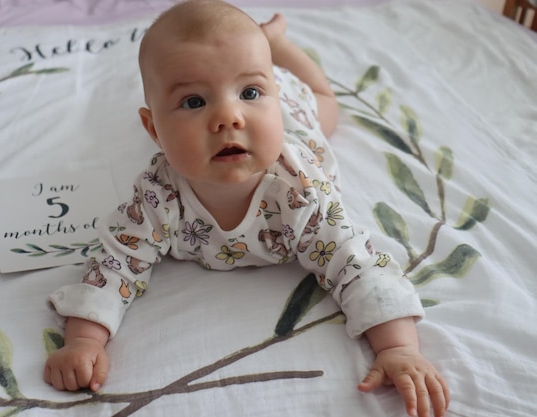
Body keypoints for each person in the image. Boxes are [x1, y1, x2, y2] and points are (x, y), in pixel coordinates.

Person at [44, 1, 450, 416]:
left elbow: (358, 265)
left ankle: (278, 46)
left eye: (250, 93)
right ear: (153, 130)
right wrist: (85, 340)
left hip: (293, 123)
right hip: (263, 116)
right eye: (193, 102)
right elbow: (116, 263)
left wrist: (399, 348)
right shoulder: (157, 198)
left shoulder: (301, 196)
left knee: (326, 105)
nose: (228, 116)